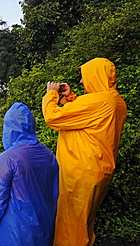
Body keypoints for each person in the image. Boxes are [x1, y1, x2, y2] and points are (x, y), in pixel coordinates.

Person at [42, 57, 127, 246]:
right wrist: (71, 97)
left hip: (80, 173)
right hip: (99, 168)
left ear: (96, 76)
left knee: (70, 225)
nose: (81, 81)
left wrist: (51, 95)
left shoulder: (98, 101)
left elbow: (52, 118)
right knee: (84, 221)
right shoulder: (115, 101)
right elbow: (88, 116)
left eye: (84, 77)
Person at [0, 102, 59, 246]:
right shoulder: (48, 154)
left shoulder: (8, 159)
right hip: (44, 233)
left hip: (13, 235)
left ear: (9, 128)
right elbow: (54, 194)